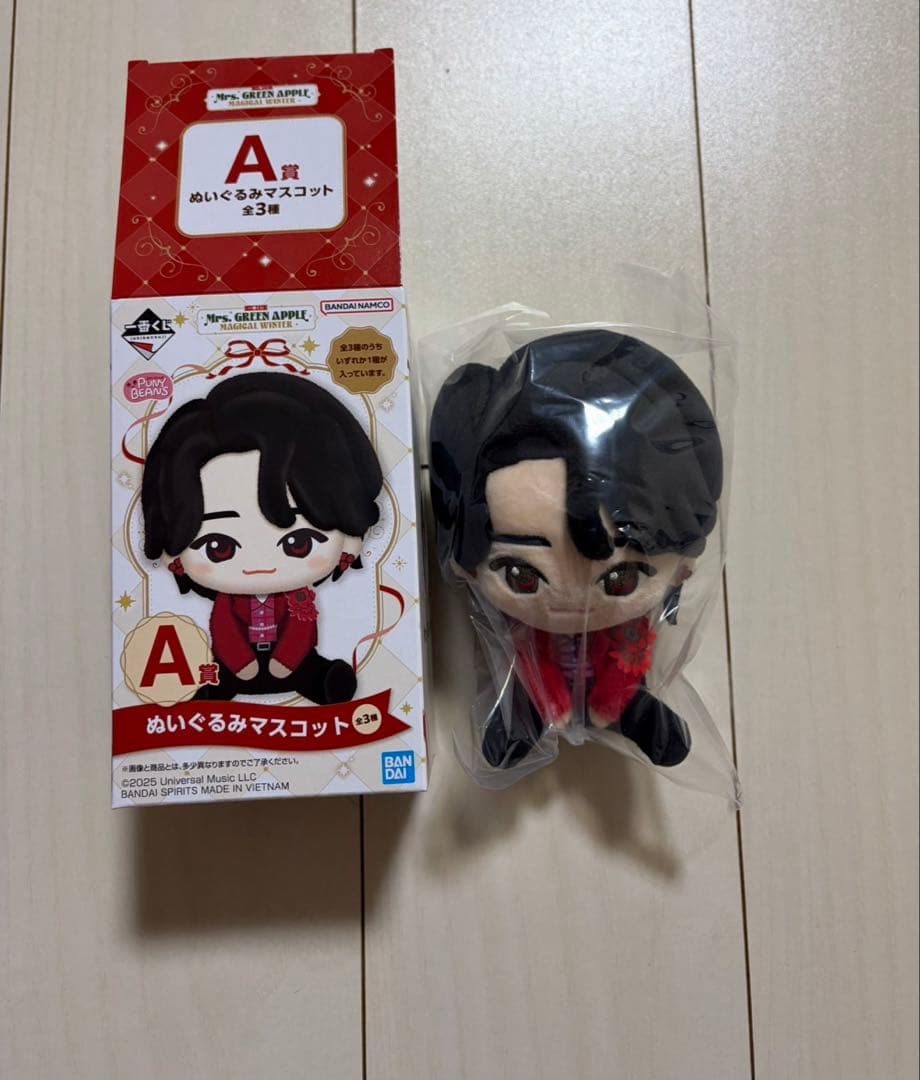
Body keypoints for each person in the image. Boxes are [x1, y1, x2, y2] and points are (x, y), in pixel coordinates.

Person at [429, 329, 723, 768]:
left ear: (683, 565)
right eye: (521, 575)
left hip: (617, 655)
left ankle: (628, 707)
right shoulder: (522, 628)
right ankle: (533, 711)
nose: (571, 601)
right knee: (533, 674)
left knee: (624, 670)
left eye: (621, 578)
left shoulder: (629, 623)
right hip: (538, 664)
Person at [141, 372, 382, 703]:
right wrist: (241, 663)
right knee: (218, 678)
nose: (259, 565)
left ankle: (323, 682)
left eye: (298, 543)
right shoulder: (229, 603)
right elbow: (224, 629)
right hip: (237, 665)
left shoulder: (299, 598)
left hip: (294, 663)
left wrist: (286, 661)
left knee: (312, 672)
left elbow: (301, 629)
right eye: (219, 548)